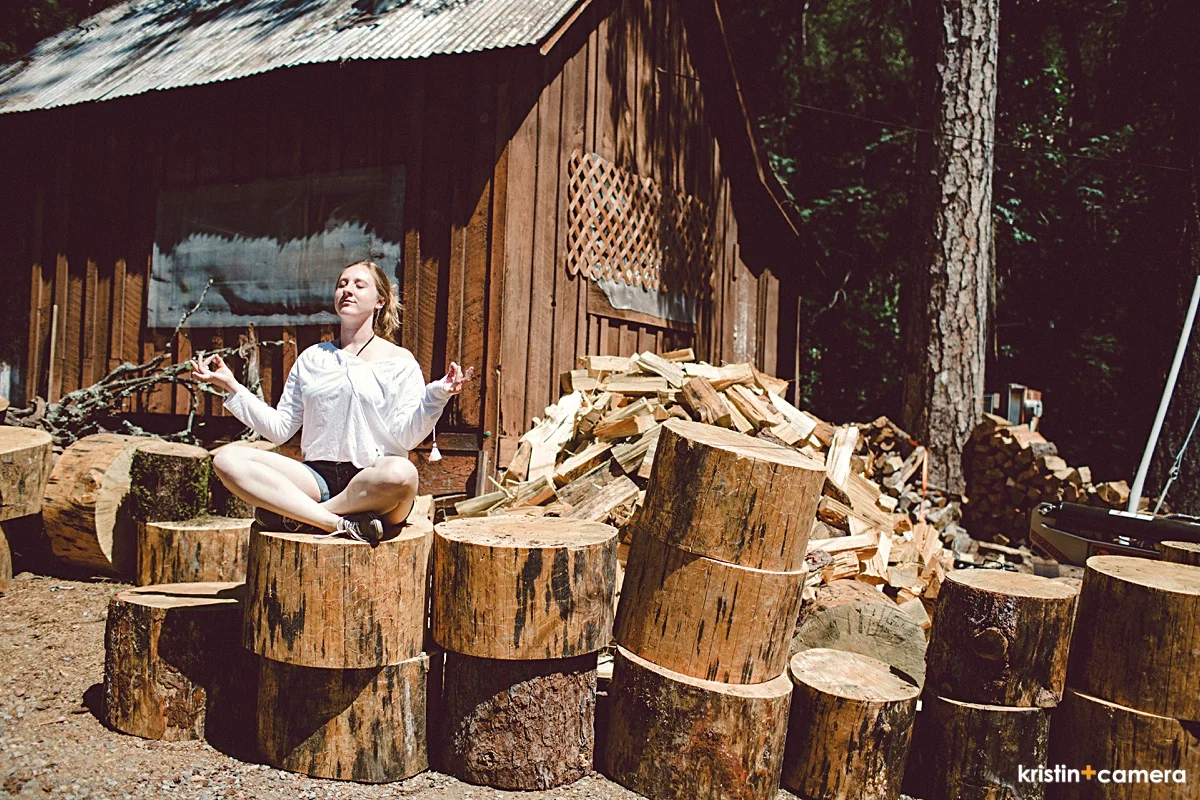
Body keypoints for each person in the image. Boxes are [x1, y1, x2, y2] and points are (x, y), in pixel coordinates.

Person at [192, 259, 472, 541]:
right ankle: (334, 523)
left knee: (402, 473)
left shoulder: (400, 361)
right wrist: (231, 386)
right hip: (316, 479)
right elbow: (279, 429)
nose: (347, 290)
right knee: (228, 459)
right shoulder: (313, 358)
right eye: (342, 284)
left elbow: (406, 437)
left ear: (380, 301)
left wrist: (438, 394)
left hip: (374, 483)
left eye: (359, 285)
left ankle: (301, 516)